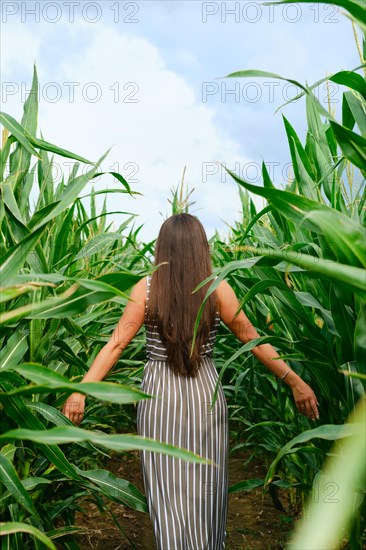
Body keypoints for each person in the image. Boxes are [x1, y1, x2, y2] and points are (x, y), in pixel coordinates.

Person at [62, 213, 319, 550]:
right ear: (201, 247)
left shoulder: (146, 289)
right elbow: (252, 339)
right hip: (204, 397)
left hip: (159, 396)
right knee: (205, 487)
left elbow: (116, 343)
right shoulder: (218, 288)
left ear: (162, 248)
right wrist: (294, 380)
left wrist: (81, 392)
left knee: (166, 488)